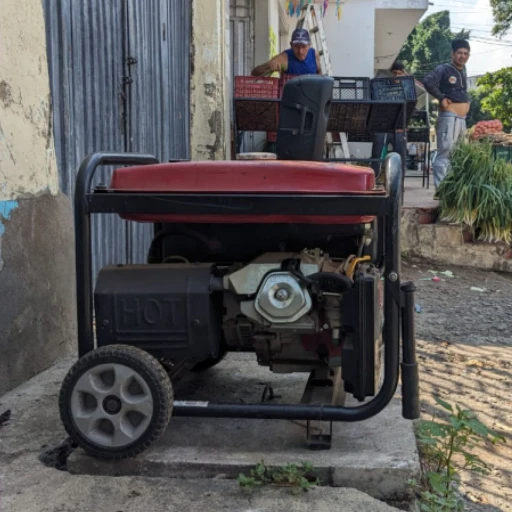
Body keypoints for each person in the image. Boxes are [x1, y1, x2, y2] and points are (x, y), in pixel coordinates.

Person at [422, 39, 471, 188]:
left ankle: (452, 190)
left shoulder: (462, 72)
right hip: (450, 117)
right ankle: (442, 191)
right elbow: (428, 81)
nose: (462, 56)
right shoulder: (444, 69)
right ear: (452, 54)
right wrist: (441, 98)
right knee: (445, 154)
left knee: (458, 155)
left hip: (461, 119)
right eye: (459, 53)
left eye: (465, 53)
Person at [251, 28, 322, 76]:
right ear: (291, 45)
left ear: (309, 45)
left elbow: (319, 72)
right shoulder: (284, 58)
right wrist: (269, 66)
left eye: (303, 46)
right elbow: (254, 73)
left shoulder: (314, 54)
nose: (300, 51)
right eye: (297, 46)